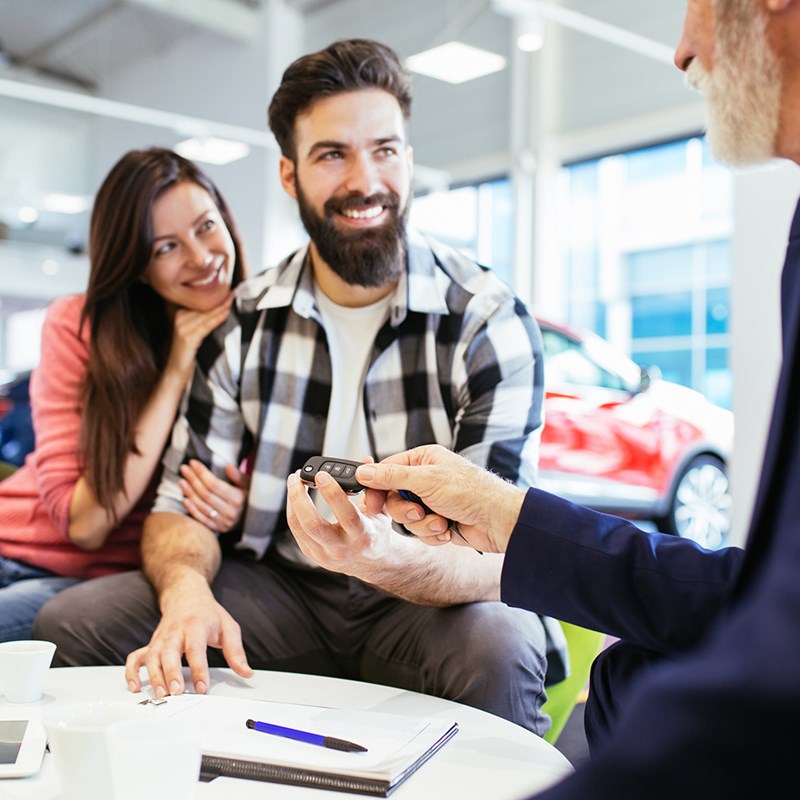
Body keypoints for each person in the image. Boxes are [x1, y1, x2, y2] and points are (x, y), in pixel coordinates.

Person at [314, 3, 800, 794]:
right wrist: (505, 513)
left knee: (525, 652)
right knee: (624, 670)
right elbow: (758, 591)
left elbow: (778, 638)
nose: (682, 50)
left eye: (701, 7)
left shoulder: (487, 313)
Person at [33, 38, 565, 737]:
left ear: (407, 158)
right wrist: (188, 589)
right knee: (76, 620)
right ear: (289, 175)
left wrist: (383, 558)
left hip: (429, 595)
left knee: (498, 644)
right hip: (281, 590)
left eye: (383, 149)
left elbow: (497, 549)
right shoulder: (242, 323)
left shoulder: (487, 323)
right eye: (331, 154)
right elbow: (175, 507)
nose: (363, 179)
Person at [0, 147, 249, 642]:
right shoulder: (79, 325)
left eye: (205, 226)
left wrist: (240, 506)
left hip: (112, 580)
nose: (201, 258)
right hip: (21, 551)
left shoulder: (260, 332)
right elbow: (86, 523)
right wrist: (176, 368)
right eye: (165, 248)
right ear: (137, 266)